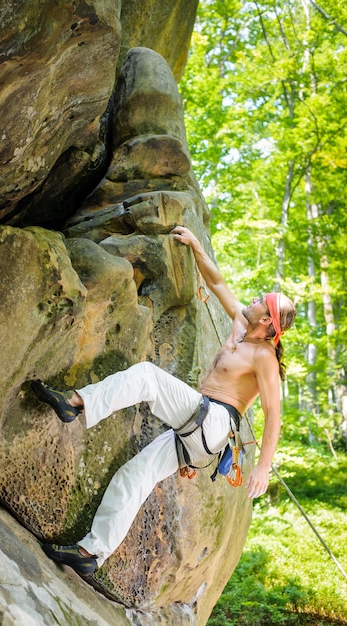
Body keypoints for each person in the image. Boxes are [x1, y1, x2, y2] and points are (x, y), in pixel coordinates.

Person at [32, 225, 296, 576]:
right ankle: (91, 553)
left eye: (260, 300)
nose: (253, 298)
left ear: (267, 319)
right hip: (197, 427)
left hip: (215, 423)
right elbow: (217, 283)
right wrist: (196, 245)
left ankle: (75, 403)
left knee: (146, 377)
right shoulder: (238, 325)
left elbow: (273, 414)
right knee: (135, 475)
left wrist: (262, 467)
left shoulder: (264, 355)